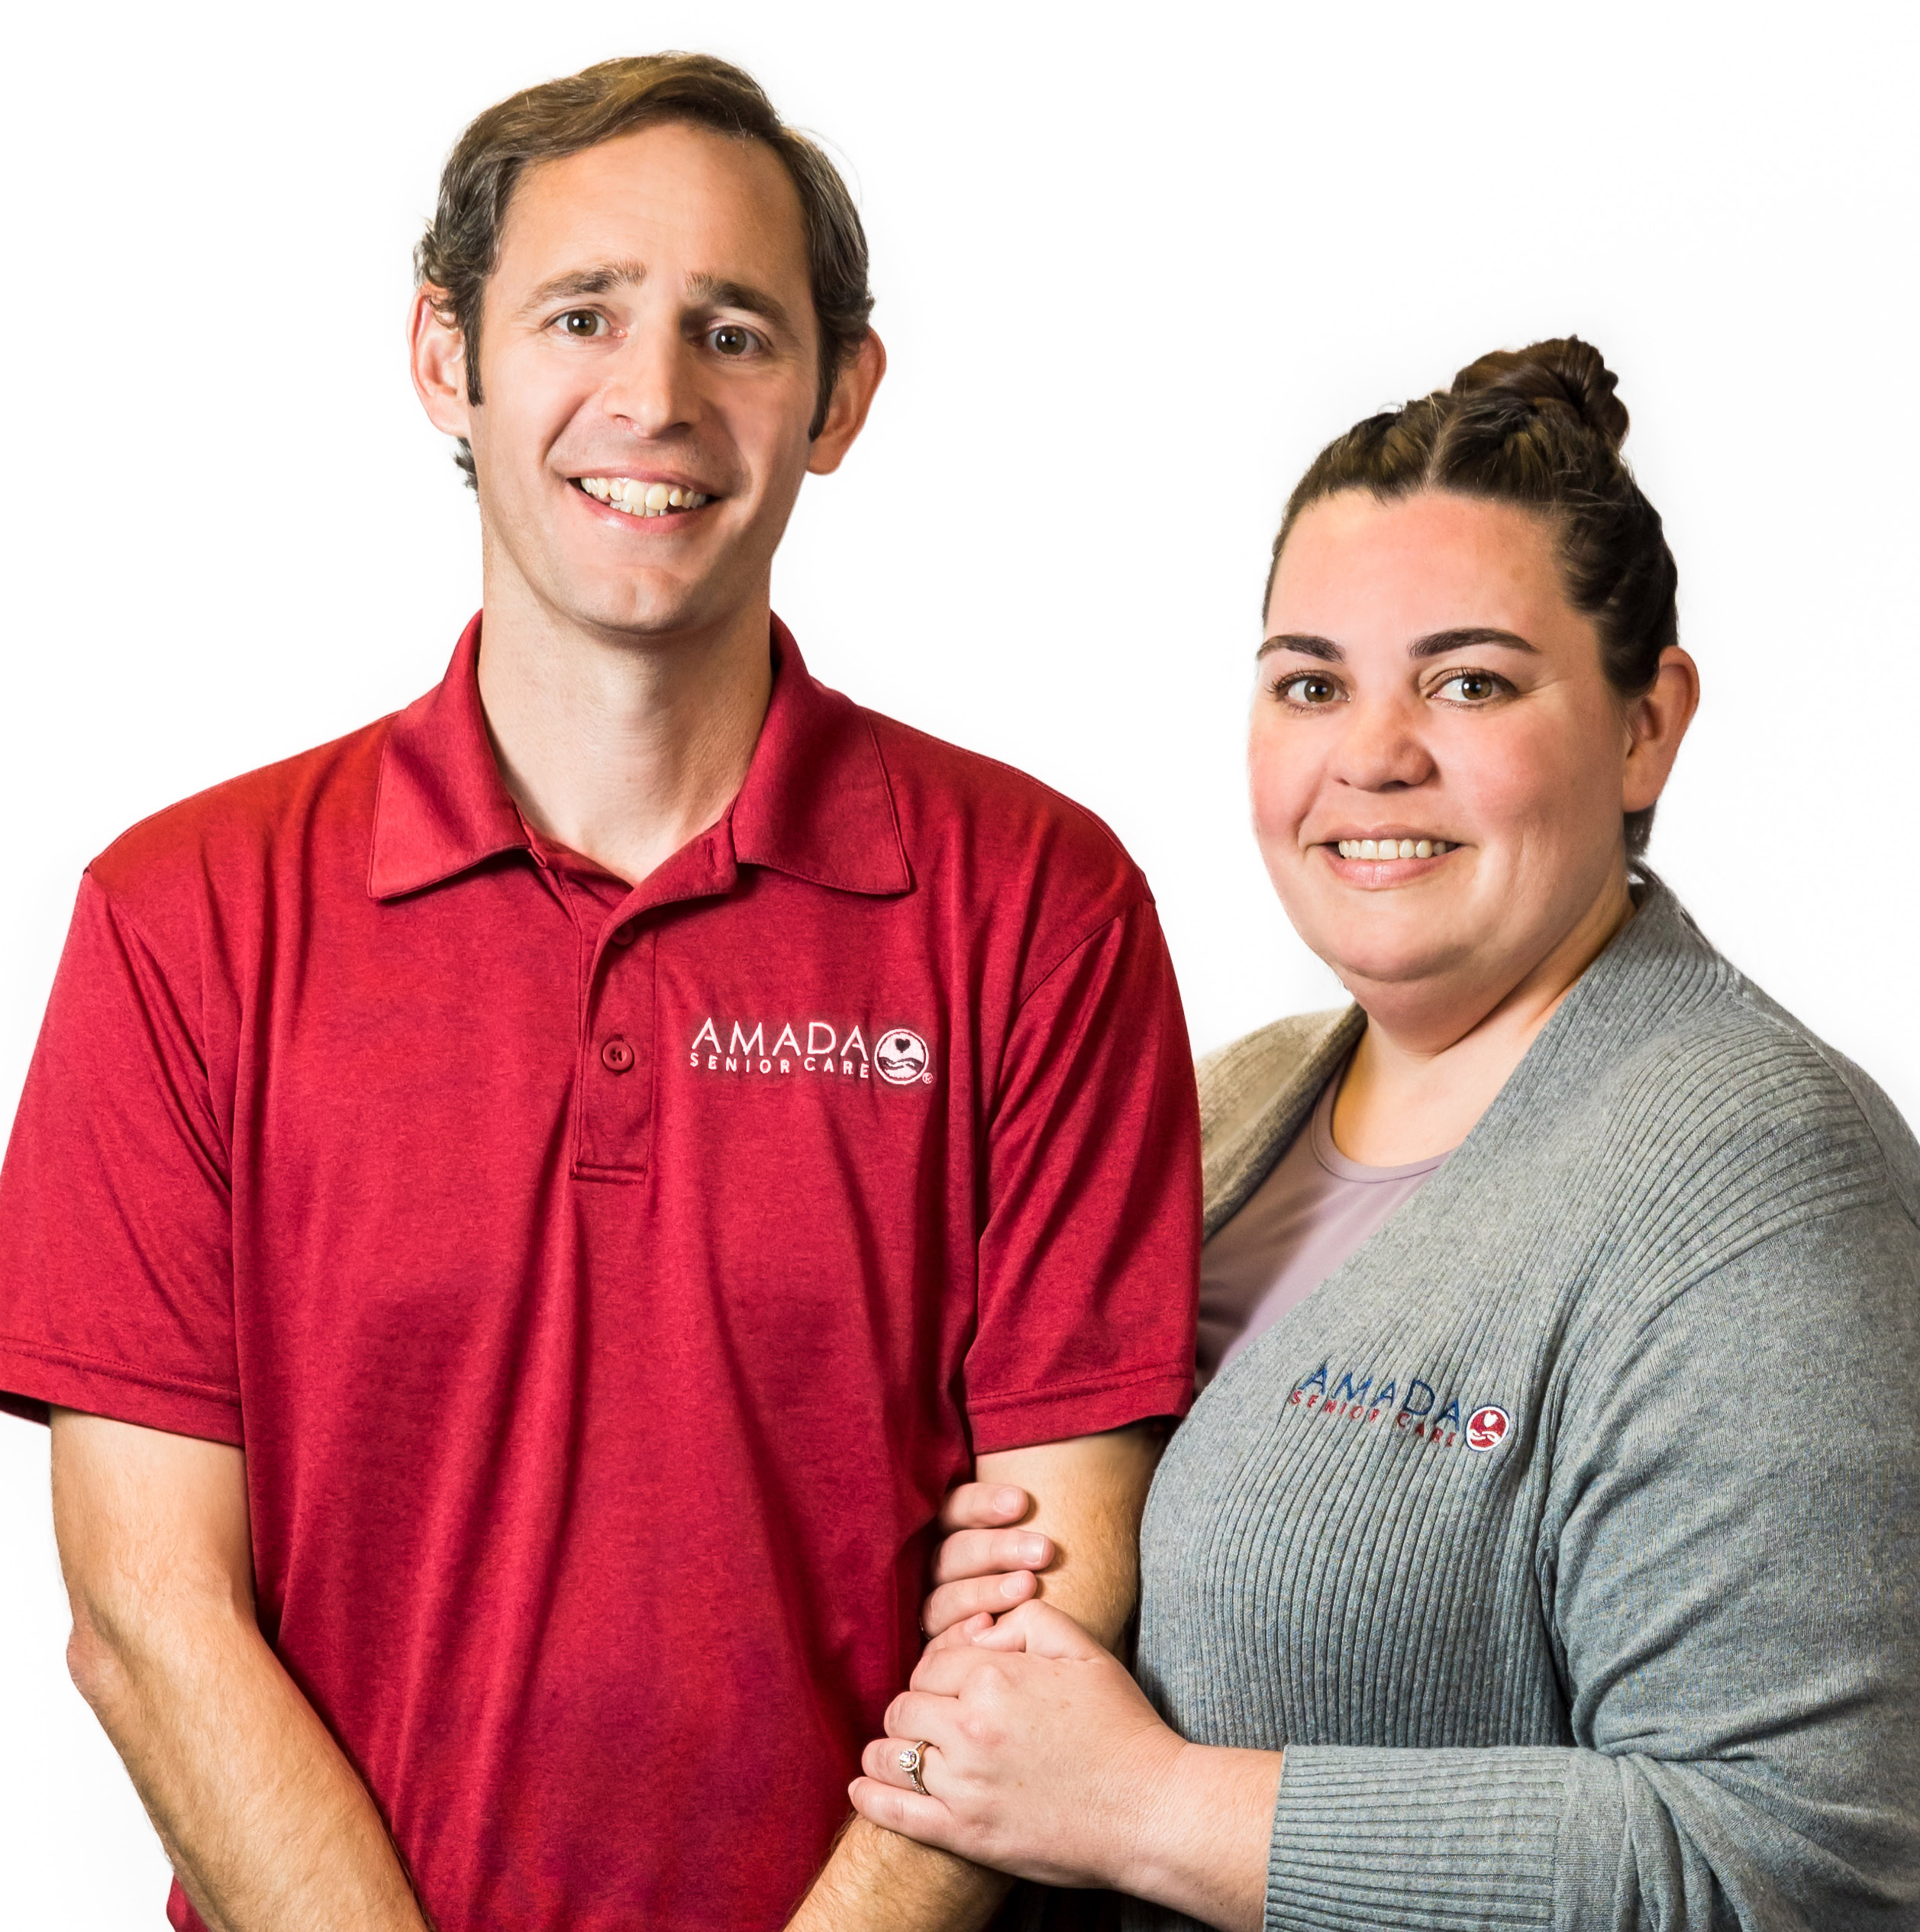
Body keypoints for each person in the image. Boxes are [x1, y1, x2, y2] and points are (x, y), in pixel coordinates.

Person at [0, 54, 1201, 1932]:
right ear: (445, 357)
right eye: (581, 315)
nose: (653, 400)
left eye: (734, 330)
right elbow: (148, 1619)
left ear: (839, 398)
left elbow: (1052, 1595)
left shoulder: (1040, 909)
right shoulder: (183, 921)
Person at [852, 339, 1920, 1928]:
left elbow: (1795, 1866)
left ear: (1645, 725)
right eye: (1311, 682)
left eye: (1469, 681)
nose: (1371, 754)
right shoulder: (1224, 1106)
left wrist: (1149, 1809)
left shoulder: (1759, 1185)